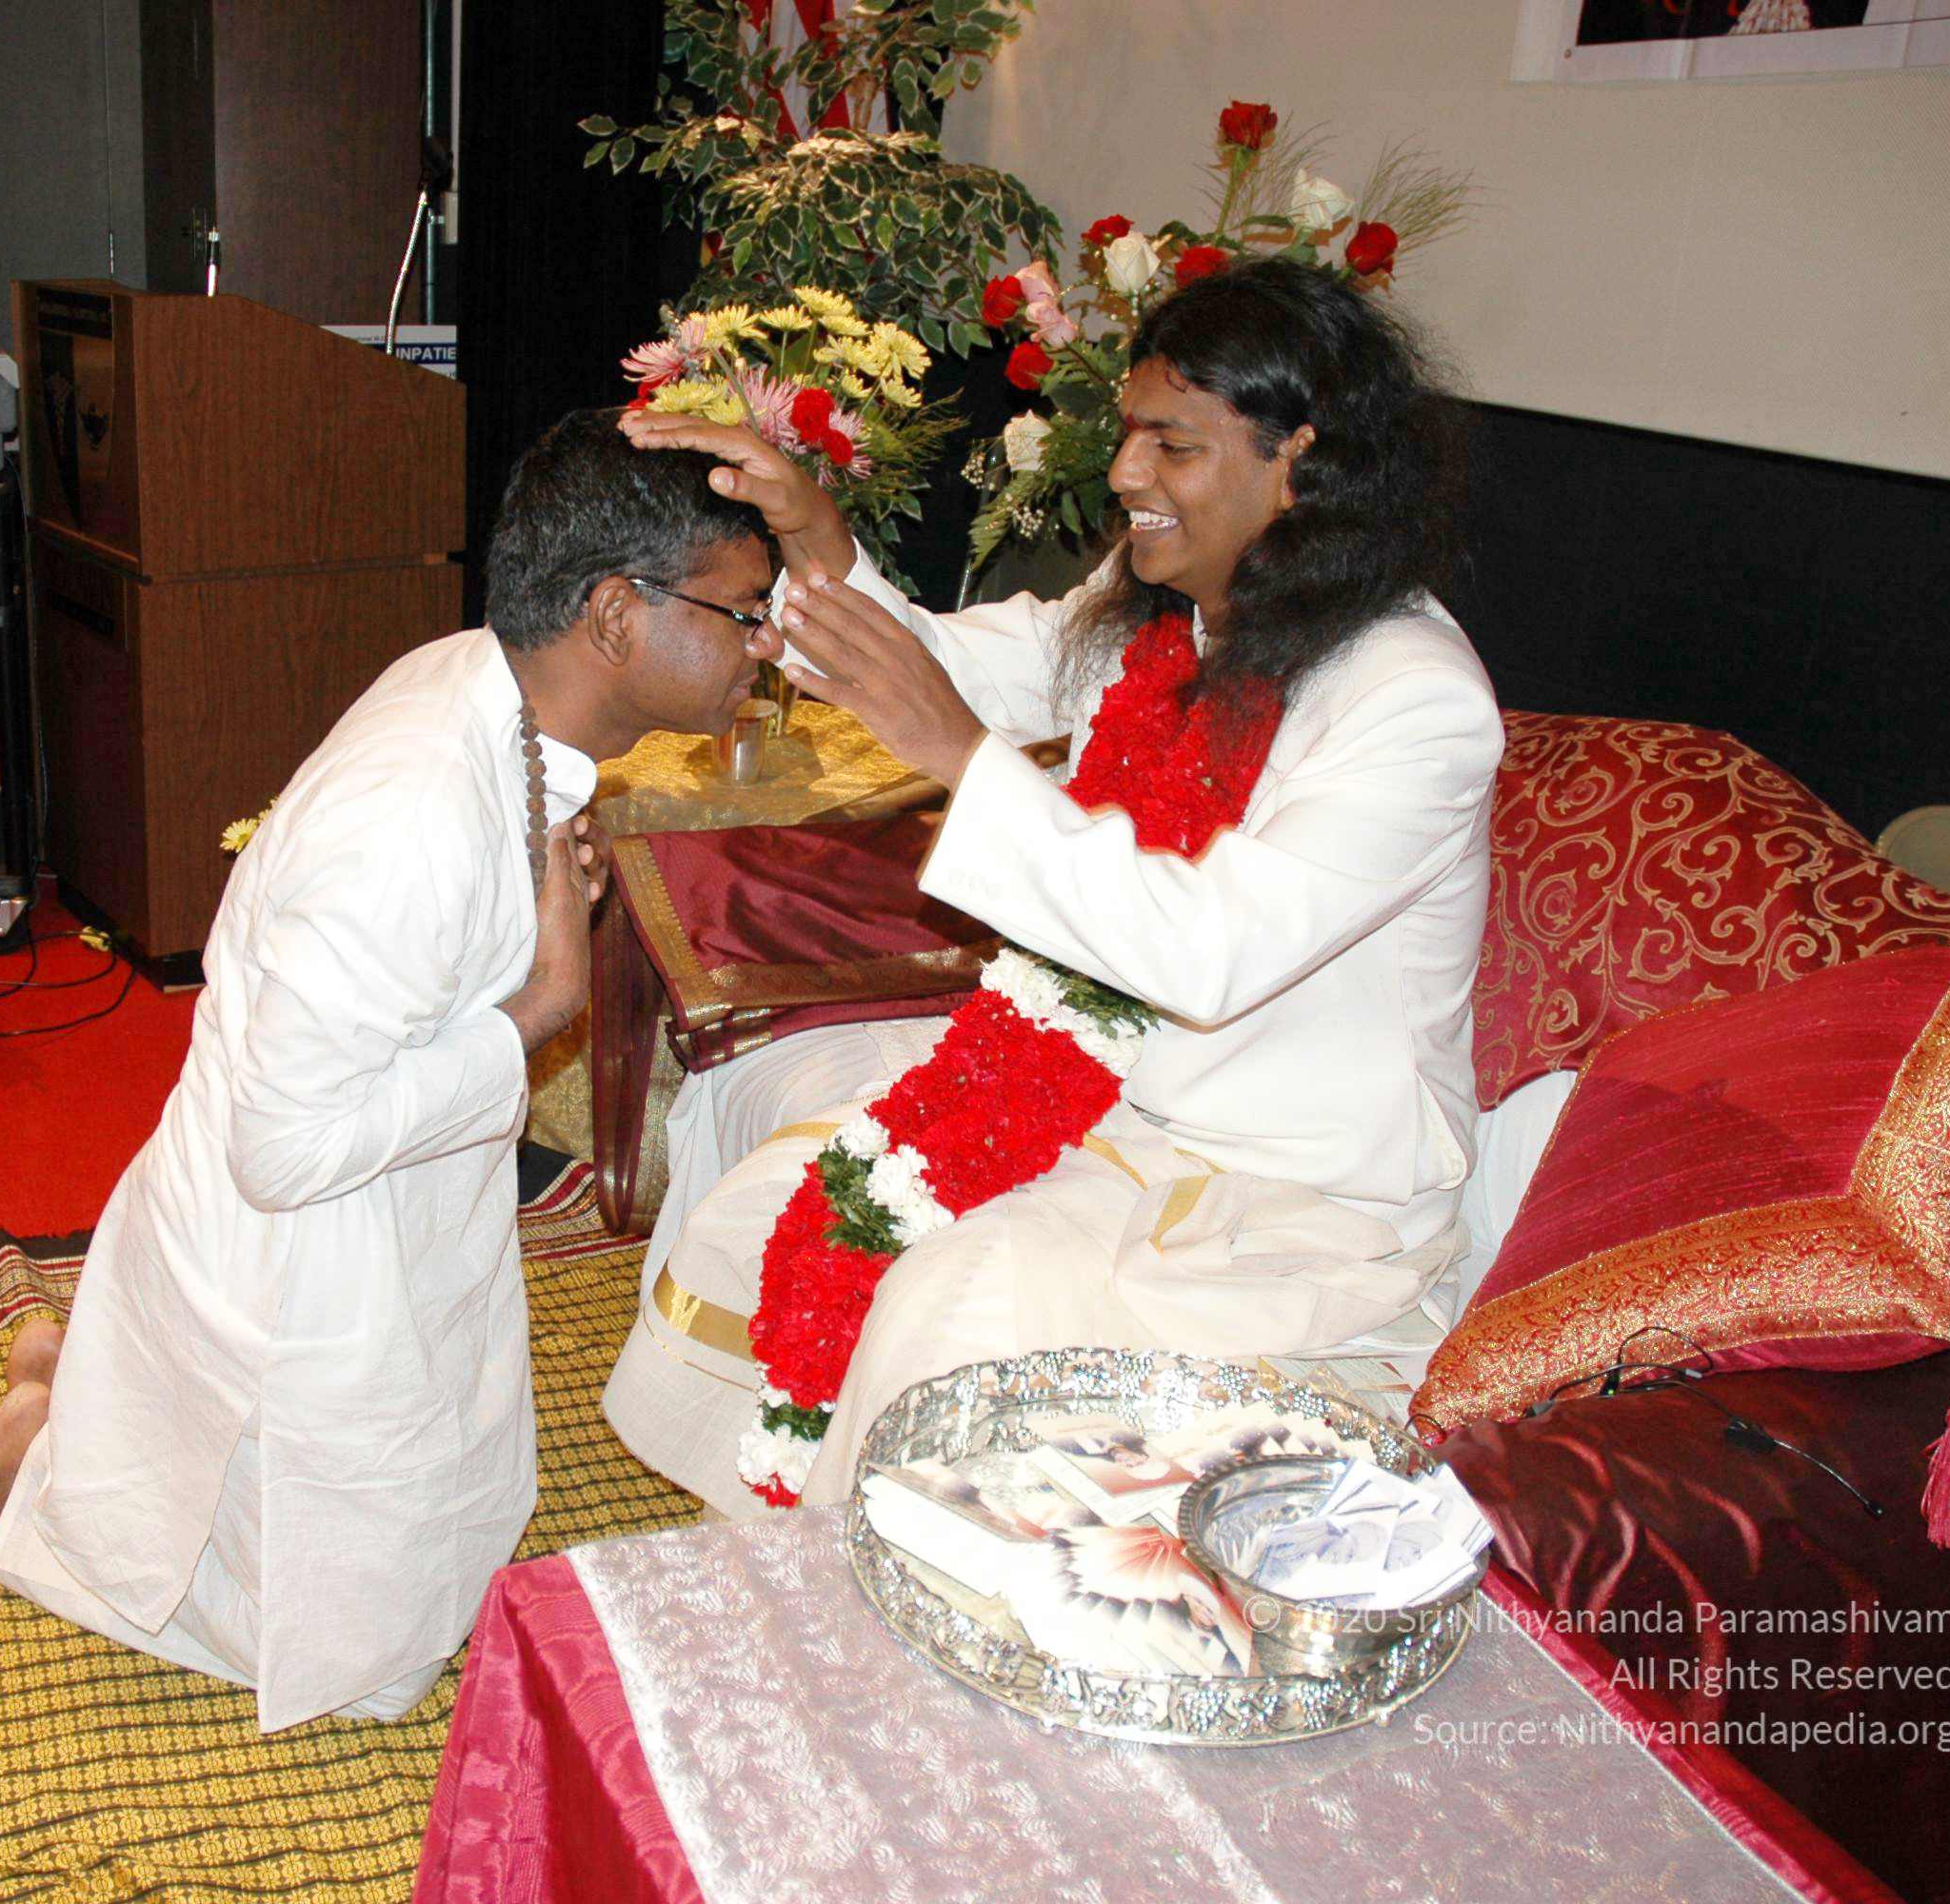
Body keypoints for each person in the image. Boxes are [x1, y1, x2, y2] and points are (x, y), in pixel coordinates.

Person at [0, 411, 783, 1731]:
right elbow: (284, 1150)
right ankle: (52, 1444)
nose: (762, 646)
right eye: (741, 611)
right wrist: (537, 1007)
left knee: (453, 1538)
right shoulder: (409, 815)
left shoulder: (492, 688)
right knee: (370, 1669)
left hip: (384, 1201)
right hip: (288, 1250)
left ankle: (75, 1389)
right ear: (615, 613)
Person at [603, 259, 1505, 1514]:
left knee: (949, 1307)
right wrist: (808, 529)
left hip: (1294, 1189)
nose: (1126, 473)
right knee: (776, 1206)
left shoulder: (1412, 699)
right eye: (1129, 433)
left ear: (1302, 460)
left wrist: (955, 751)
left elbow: (1212, 951)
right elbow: (955, 662)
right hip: (1115, 1106)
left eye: (1173, 444)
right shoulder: (1167, 615)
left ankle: (891, 1593)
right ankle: (781, 1554)